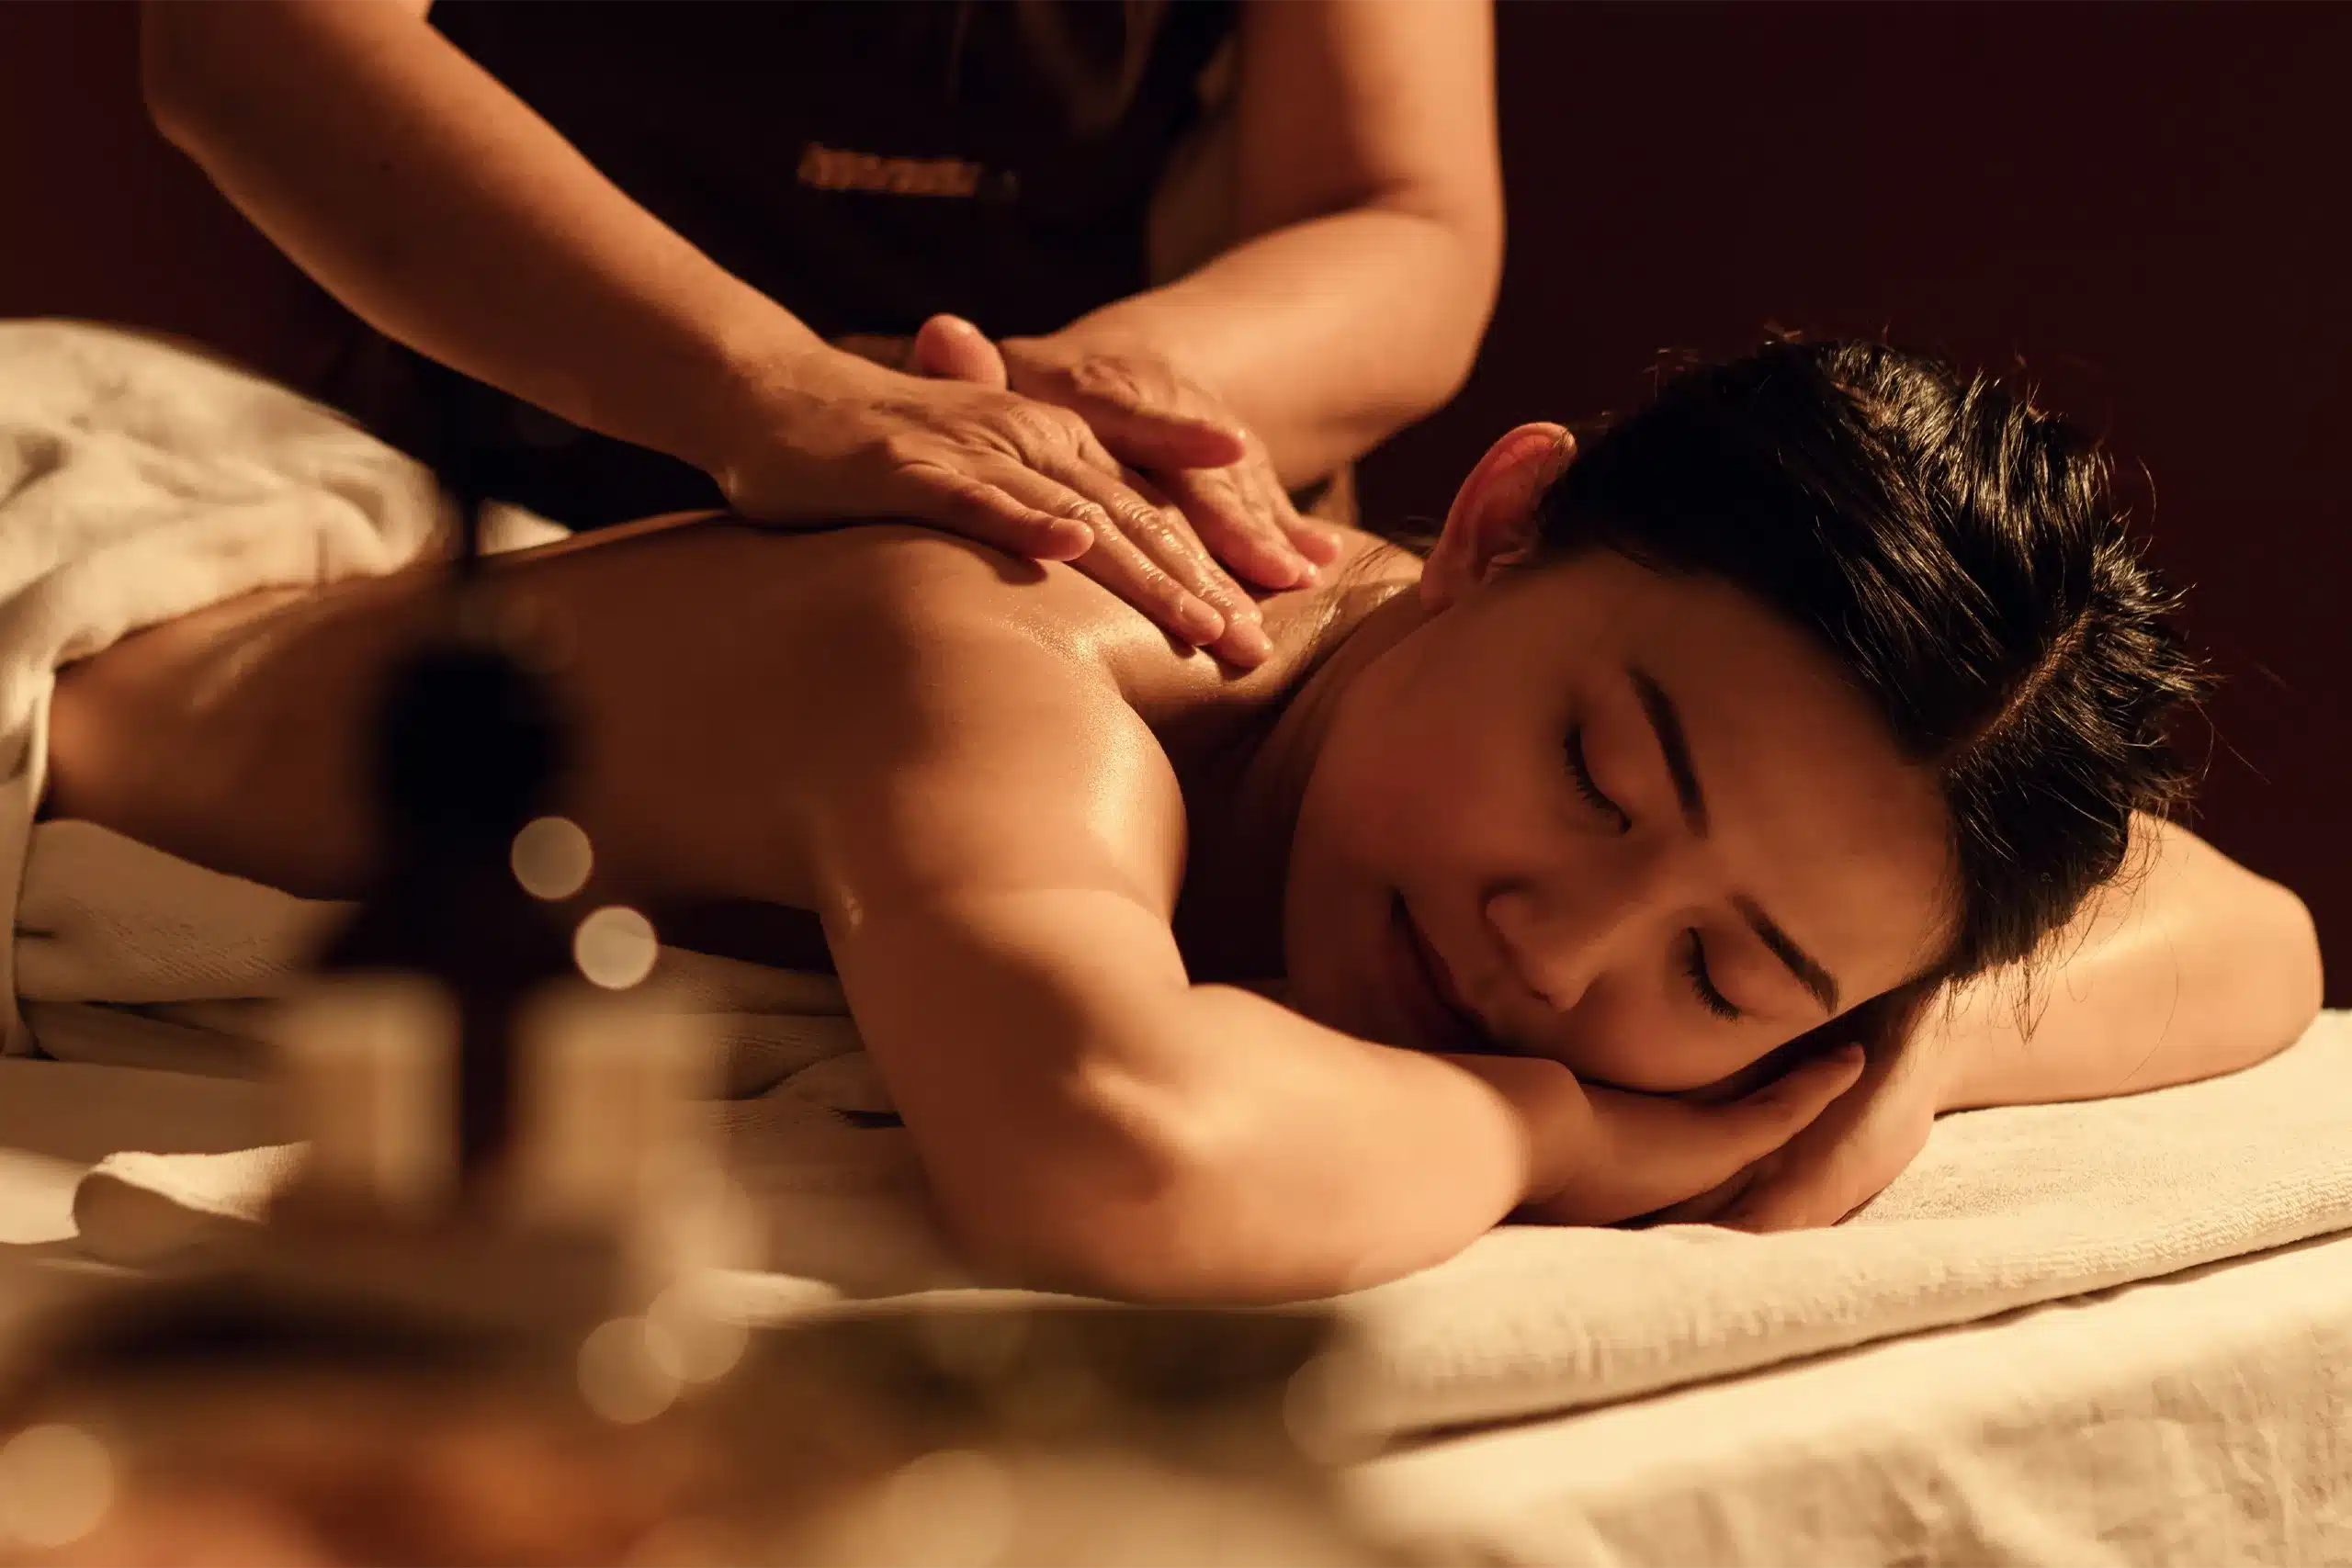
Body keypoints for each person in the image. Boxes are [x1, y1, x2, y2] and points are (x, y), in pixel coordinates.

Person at [40, 341, 2324, 1303]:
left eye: (1721, 970)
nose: (1562, 946)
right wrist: (1557, 1129)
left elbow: (2252, 935)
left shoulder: (1726, 792)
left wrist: (1877, 1058)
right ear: (1496, 524)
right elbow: (1110, 1148)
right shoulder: (1007, 668)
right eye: (1601, 778)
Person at [136, 0, 1506, 668]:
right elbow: (251, 39)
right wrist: (765, 391)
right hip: (488, 506)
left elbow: (1400, 213)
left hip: (1050, 518)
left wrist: (1098, 397)